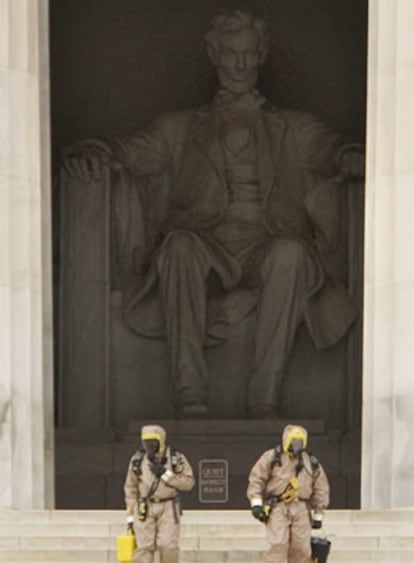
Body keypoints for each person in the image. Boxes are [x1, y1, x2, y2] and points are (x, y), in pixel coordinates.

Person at [63, 11, 364, 419]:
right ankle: (190, 393)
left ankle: (265, 399)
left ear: (262, 55)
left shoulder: (293, 127)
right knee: (180, 248)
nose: (240, 65)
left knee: (292, 254)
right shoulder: (180, 128)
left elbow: (329, 149)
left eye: (248, 54)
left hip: (267, 241)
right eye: (230, 54)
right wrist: (95, 151)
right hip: (206, 242)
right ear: (213, 54)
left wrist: (349, 157)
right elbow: (129, 150)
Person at [247, 424, 330, 563]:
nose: (296, 445)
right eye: (293, 441)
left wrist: (318, 514)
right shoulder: (272, 457)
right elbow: (257, 479)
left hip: (301, 508)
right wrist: (256, 503)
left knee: (302, 547)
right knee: (278, 544)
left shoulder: (311, 462)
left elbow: (321, 488)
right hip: (278, 507)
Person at [123, 424, 195, 562]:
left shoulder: (175, 457)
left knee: (168, 545)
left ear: (160, 440)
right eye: (146, 442)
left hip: (168, 505)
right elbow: (130, 488)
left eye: (152, 441)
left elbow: (188, 482)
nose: (149, 445)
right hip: (144, 506)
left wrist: (165, 474)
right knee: (144, 547)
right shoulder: (137, 460)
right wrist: (131, 517)